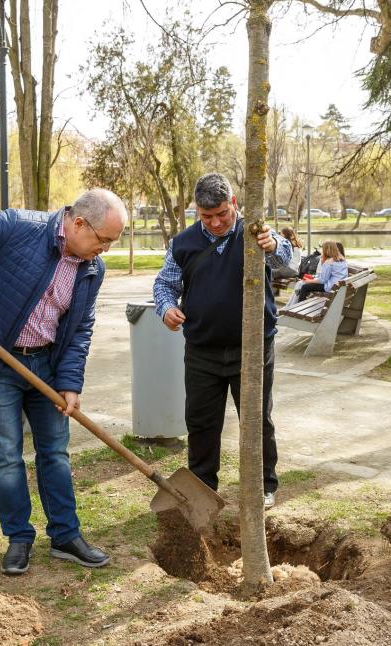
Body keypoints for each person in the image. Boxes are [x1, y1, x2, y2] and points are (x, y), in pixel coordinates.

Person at [0, 188, 128, 576]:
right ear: (78, 223)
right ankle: (19, 538)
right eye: (103, 240)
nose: (104, 250)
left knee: (55, 453)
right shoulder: (17, 226)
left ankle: (66, 535)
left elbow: (79, 329)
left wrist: (70, 382)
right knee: (6, 457)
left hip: (47, 367)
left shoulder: (91, 269)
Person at [153, 172, 291, 509]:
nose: (215, 223)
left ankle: (262, 486)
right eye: (206, 216)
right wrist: (167, 308)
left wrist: (273, 244)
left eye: (222, 214)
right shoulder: (182, 243)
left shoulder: (256, 233)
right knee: (201, 423)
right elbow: (164, 285)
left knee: (257, 419)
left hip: (254, 347)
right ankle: (202, 489)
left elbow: (285, 260)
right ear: (196, 211)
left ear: (234, 204)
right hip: (202, 349)